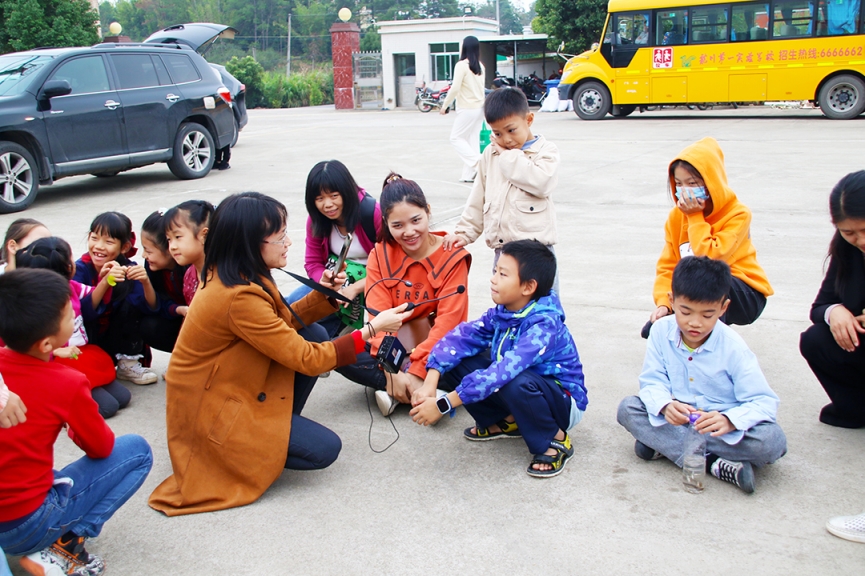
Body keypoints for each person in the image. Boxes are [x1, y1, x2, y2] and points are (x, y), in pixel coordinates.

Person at [147, 192, 410, 516]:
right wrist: (371, 329)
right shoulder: (236, 295)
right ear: (251, 243)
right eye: (280, 236)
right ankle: (247, 447)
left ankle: (275, 426)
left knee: (314, 333)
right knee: (325, 449)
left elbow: (281, 320)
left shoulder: (235, 272)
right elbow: (308, 359)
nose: (288, 242)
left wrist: (329, 294)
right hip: (213, 413)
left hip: (225, 386)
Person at [0, 268, 152, 576]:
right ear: (47, 344)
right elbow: (101, 447)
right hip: (25, 525)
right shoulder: (67, 382)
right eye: (70, 316)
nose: (75, 317)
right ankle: (65, 545)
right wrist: (72, 426)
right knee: (138, 451)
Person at [410, 240, 587, 478]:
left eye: (503, 274)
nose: (493, 279)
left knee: (514, 380)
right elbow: (459, 338)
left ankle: (554, 440)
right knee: (456, 359)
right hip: (522, 387)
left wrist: (444, 404)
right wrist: (430, 383)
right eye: (495, 271)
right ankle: (505, 421)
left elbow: (504, 371)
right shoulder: (503, 312)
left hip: (561, 403)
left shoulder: (544, 325)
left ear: (528, 287)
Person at [618, 256, 787, 494]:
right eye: (685, 312)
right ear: (672, 301)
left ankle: (665, 446)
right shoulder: (660, 331)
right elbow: (652, 381)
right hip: (680, 419)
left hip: (718, 426)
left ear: (723, 308)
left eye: (707, 315)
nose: (695, 323)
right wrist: (665, 405)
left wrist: (729, 420)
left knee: (771, 441)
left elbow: (764, 402)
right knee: (628, 409)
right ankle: (715, 464)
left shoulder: (733, 347)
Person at [336, 173, 472, 416]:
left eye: (416, 220)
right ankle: (423, 394)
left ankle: (399, 391)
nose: (409, 232)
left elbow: (449, 323)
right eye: (397, 225)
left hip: (437, 350)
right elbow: (377, 318)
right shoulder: (380, 254)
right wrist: (391, 369)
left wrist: (419, 370)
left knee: (476, 360)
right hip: (393, 347)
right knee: (340, 352)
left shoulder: (452, 256)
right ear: (386, 223)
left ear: (428, 211)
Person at [642, 137, 772, 338]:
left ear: (711, 182)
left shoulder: (737, 214)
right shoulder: (676, 217)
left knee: (708, 283)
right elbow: (669, 266)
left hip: (743, 292)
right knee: (654, 329)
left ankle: (710, 346)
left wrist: (695, 217)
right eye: (678, 184)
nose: (684, 190)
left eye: (692, 183)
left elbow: (711, 257)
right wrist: (665, 304)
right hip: (699, 288)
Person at [444, 87, 560, 292]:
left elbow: (541, 183)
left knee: (543, 307)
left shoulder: (544, 151)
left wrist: (507, 156)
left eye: (511, 130)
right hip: (504, 254)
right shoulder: (490, 154)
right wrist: (465, 232)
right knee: (506, 305)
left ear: (529, 120)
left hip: (536, 255)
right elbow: (478, 197)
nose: (506, 139)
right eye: (497, 133)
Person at [16, 237, 131, 419]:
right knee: (107, 407)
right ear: (68, 268)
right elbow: (21, 344)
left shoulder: (71, 287)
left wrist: (106, 280)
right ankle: (57, 411)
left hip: (79, 355)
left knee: (123, 397)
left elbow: (92, 294)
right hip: (58, 362)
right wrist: (54, 351)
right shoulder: (35, 305)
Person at [286, 160, 382, 337]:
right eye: (319, 199)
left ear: (347, 192)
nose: (327, 204)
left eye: (334, 196)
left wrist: (355, 288)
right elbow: (313, 262)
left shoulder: (372, 213)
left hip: (373, 281)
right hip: (336, 281)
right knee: (290, 306)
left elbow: (394, 266)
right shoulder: (316, 220)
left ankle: (335, 340)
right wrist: (324, 280)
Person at [800, 170, 865, 428]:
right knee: (816, 339)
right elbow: (819, 307)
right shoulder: (847, 249)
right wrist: (834, 311)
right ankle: (855, 409)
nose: (860, 240)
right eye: (849, 232)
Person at [73, 212, 159, 386]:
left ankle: (128, 364)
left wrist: (145, 282)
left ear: (125, 247)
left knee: (133, 306)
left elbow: (150, 308)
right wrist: (104, 282)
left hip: (118, 338)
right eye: (94, 238)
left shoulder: (128, 269)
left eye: (109, 242)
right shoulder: (80, 269)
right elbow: (81, 314)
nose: (99, 246)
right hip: (88, 338)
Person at [140, 210, 188, 353]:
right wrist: (145, 282)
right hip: (177, 316)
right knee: (148, 325)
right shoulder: (152, 266)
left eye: (148, 251)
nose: (144, 255)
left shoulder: (190, 266)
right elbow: (156, 304)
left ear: (169, 249)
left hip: (197, 321)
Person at [439, 35, 486, 182]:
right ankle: (468, 175)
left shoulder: (461, 65)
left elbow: (455, 88)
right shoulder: (480, 66)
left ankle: (479, 165)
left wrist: (445, 105)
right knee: (472, 141)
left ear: (464, 47)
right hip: (480, 108)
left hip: (467, 108)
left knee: (456, 138)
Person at [164, 200, 214, 306]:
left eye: (178, 237)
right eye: (169, 239)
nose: (172, 247)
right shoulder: (189, 275)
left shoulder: (222, 276)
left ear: (204, 236)